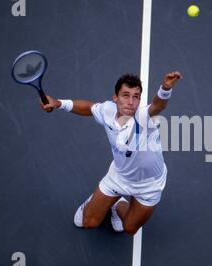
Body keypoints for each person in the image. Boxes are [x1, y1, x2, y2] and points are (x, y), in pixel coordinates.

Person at [40, 71, 182, 235]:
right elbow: (89, 108)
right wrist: (58, 103)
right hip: (119, 176)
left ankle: (117, 204)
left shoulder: (144, 117)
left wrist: (165, 88)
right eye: (125, 95)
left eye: (135, 96)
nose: (130, 101)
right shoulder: (108, 110)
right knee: (88, 223)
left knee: (129, 228)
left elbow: (158, 105)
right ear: (115, 97)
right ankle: (100, 201)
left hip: (149, 185)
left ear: (139, 100)